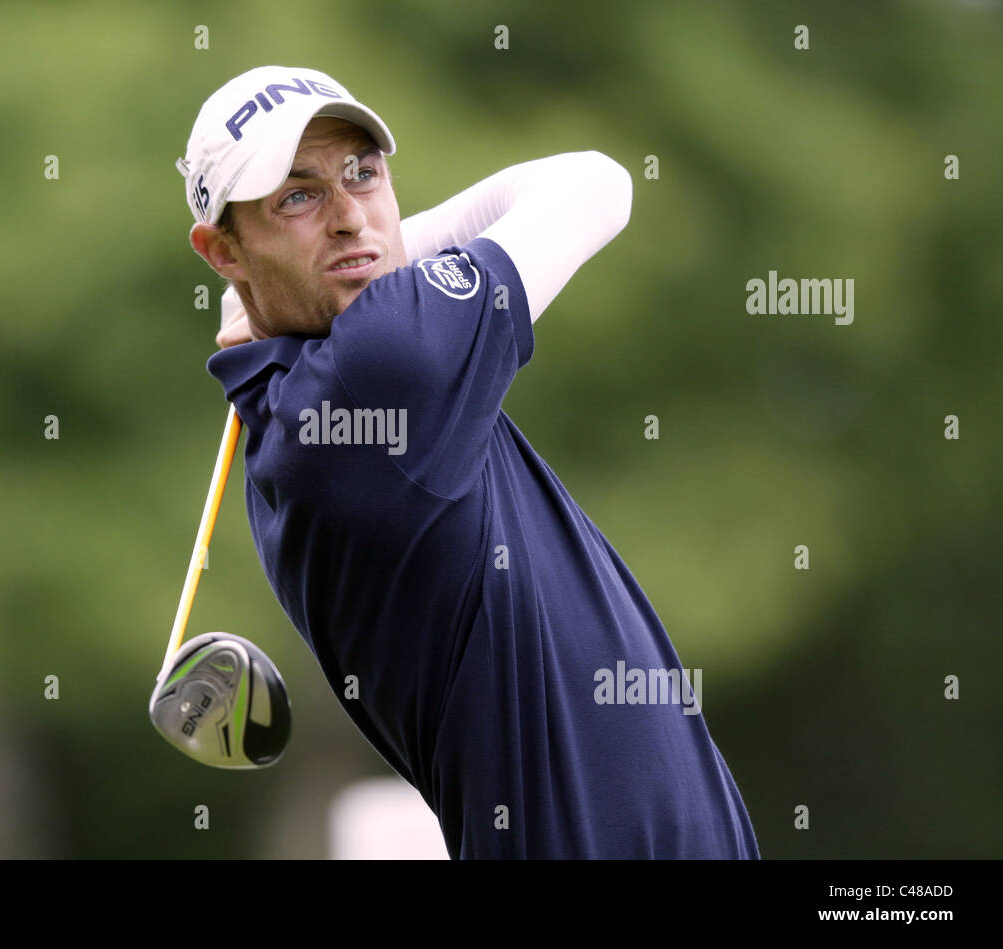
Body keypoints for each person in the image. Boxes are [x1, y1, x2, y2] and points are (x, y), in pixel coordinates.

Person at [176, 64, 759, 859]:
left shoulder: (301, 400)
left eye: (364, 173)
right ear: (222, 252)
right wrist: (386, 254)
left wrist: (326, 262)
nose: (352, 217)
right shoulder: (378, 370)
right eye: (298, 196)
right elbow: (596, 183)